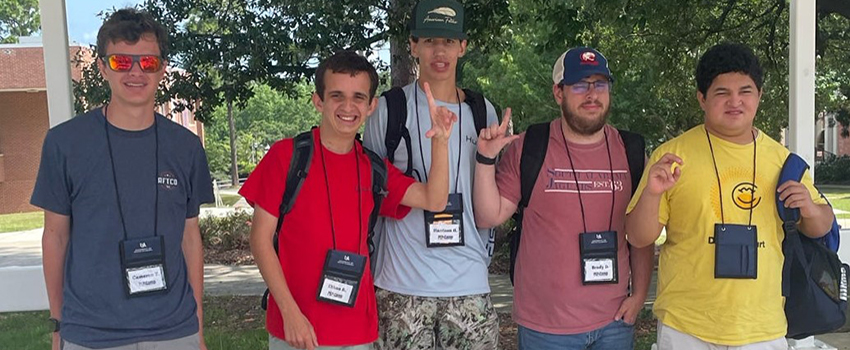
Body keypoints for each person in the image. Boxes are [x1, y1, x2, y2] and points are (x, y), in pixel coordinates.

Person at [240, 51, 456, 350]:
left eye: (358, 97)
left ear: (371, 106)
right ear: (319, 101)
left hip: (357, 332)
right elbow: (260, 240)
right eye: (337, 95)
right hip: (298, 330)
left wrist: (441, 142)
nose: (347, 106)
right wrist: (290, 313)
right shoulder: (287, 156)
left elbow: (435, 200)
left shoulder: (374, 169)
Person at [625, 43, 835, 349]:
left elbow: (821, 226)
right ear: (702, 98)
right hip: (686, 327)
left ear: (760, 96)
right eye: (722, 92)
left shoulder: (782, 161)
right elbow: (639, 236)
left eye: (745, 91)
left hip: (761, 328)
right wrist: (652, 194)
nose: (735, 101)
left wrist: (810, 209)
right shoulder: (672, 156)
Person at [31, 8, 213, 350]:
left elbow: (190, 237)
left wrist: (198, 326)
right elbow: (54, 236)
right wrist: (59, 325)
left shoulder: (186, 147)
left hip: (175, 330)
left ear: (161, 69)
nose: (135, 72)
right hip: (92, 333)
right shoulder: (65, 144)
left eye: (147, 62)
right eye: (120, 62)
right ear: (102, 67)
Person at [473, 46, 653, 350]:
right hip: (546, 327)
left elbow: (641, 234)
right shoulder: (531, 146)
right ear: (559, 93)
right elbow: (488, 217)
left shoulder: (632, 151)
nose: (592, 94)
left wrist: (639, 296)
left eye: (601, 84)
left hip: (615, 323)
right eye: (580, 85)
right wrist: (485, 159)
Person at [361, 0, 501, 348]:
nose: (440, 51)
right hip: (401, 287)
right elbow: (371, 193)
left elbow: (488, 198)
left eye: (449, 41)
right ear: (413, 45)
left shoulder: (483, 113)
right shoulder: (390, 110)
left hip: (469, 285)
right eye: (429, 40)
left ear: (463, 46)